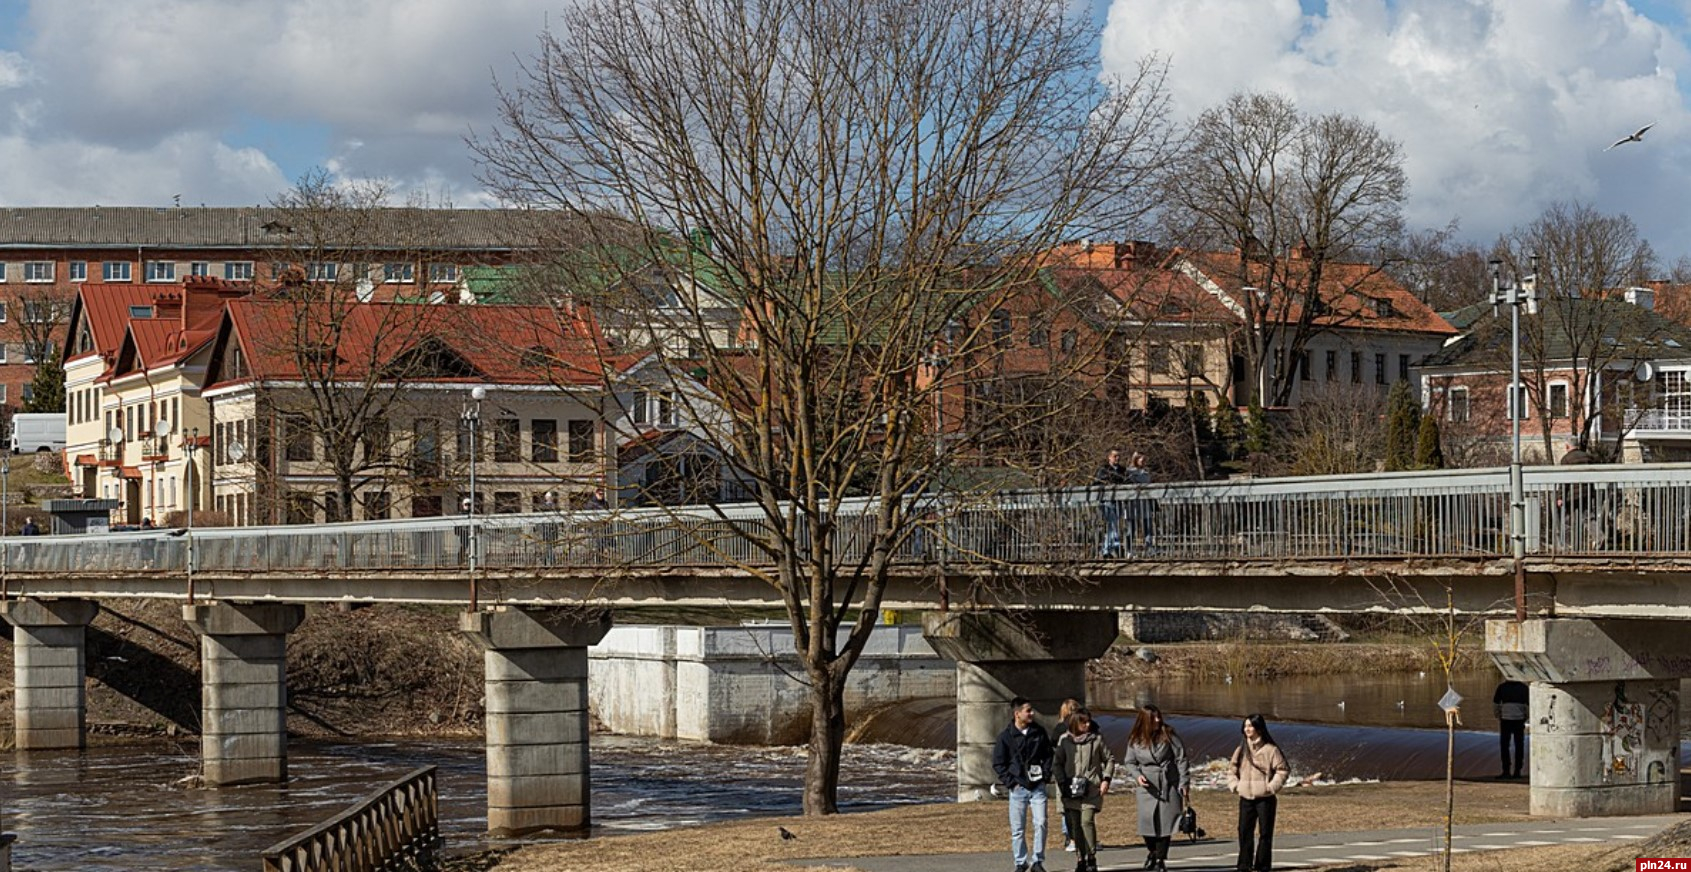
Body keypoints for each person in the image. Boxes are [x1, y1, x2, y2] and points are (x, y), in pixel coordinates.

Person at [992, 696, 1054, 872]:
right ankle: (1020, 862)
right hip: (1018, 788)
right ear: (1017, 714)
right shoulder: (1005, 737)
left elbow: (1048, 755)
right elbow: (998, 763)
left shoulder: (1039, 732)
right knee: (1018, 828)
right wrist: (1011, 782)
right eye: (1028, 710)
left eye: (1031, 710)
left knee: (1041, 822)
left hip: (1037, 787)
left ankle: (1038, 861)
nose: (1032, 713)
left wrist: (1045, 776)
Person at [1124, 704, 1188, 872]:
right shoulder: (1135, 739)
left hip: (1168, 783)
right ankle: (1152, 852)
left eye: (1159, 716)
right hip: (1147, 786)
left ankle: (1160, 859)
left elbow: (1181, 758)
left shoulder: (1168, 734)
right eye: (1154, 718)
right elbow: (1129, 762)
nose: (1159, 720)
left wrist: (1184, 782)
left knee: (1165, 824)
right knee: (1147, 824)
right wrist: (1137, 775)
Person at [1054, 708, 1114, 872]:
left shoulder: (1096, 740)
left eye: (1088, 721)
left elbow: (1109, 759)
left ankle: (1091, 857)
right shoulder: (1064, 740)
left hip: (1091, 789)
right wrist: (1062, 782)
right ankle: (1080, 858)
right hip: (1071, 790)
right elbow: (1057, 763)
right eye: (1083, 722)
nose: (1087, 725)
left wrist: (1106, 779)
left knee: (1086, 821)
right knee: (1075, 826)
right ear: (1075, 723)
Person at [1229, 714, 1289, 872]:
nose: (1247, 729)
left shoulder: (1271, 750)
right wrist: (1235, 785)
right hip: (1245, 797)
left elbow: (1283, 770)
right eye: (1245, 726)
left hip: (1265, 799)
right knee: (1244, 831)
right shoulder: (1241, 749)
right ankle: (1244, 865)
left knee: (1265, 833)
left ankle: (1262, 866)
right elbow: (1231, 769)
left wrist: (1271, 787)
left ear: (1259, 728)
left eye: (1250, 726)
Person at [1095, 449, 1131, 557]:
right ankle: (1115, 546)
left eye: (1118, 456)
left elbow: (1127, 481)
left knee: (1113, 525)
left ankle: (1106, 550)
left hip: (1119, 501)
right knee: (1112, 524)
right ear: (1109, 457)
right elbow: (1097, 482)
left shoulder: (1122, 469)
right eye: (1115, 456)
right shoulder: (1103, 469)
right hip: (1107, 500)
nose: (1117, 458)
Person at [1494, 679, 1530, 779]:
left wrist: (1498, 715)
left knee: (1504, 746)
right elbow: (1528, 705)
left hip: (1505, 719)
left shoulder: (1502, 687)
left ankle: (1506, 771)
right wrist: (1526, 717)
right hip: (1519, 720)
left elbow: (1496, 704)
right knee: (1519, 745)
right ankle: (1517, 771)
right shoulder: (1524, 688)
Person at [1125, 452, 1155, 556]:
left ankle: (1149, 547)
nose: (1143, 462)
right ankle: (1129, 549)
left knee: (1148, 526)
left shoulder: (1145, 472)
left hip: (1144, 501)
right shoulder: (1129, 472)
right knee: (1131, 527)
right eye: (1141, 460)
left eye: (1144, 460)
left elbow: (1148, 482)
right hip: (1132, 503)